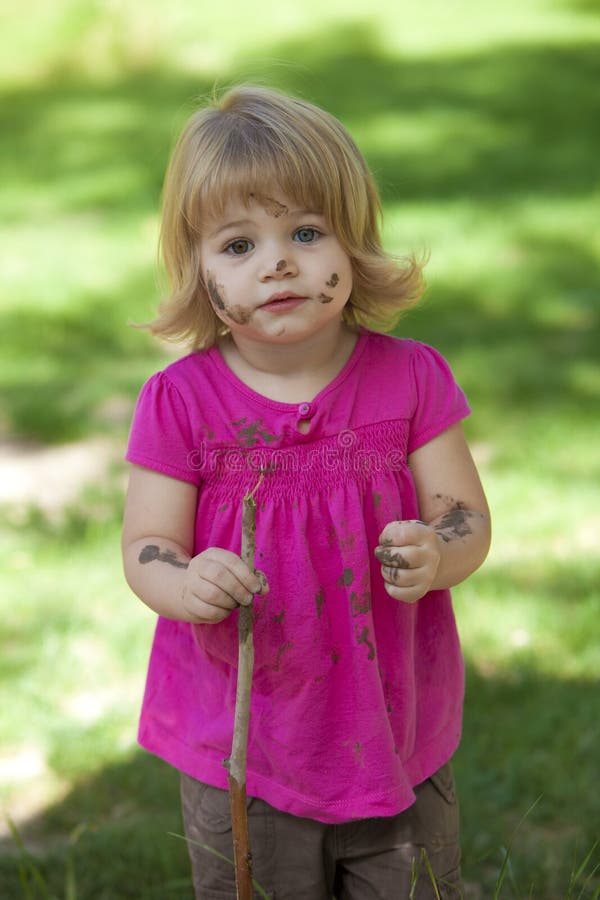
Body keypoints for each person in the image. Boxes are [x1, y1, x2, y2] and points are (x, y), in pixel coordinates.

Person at [122, 84, 491, 899]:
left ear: (353, 246)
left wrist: (441, 549)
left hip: (395, 732)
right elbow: (146, 548)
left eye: (306, 231)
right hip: (244, 750)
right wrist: (186, 582)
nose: (278, 261)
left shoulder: (412, 379)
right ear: (198, 270)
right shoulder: (181, 403)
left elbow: (466, 519)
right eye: (237, 244)